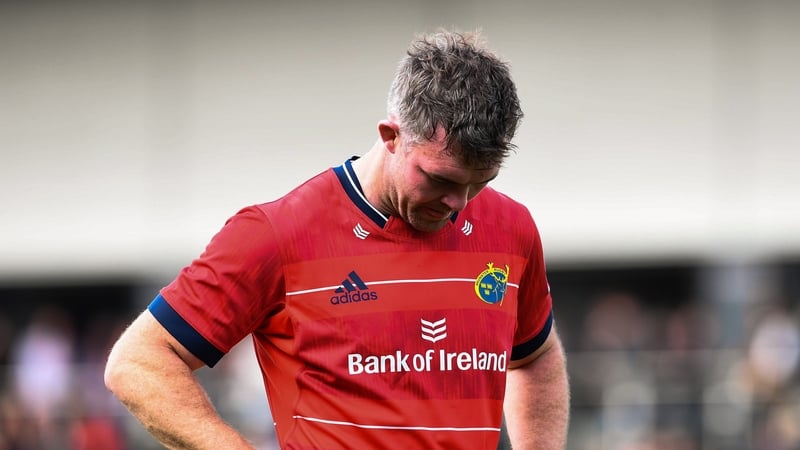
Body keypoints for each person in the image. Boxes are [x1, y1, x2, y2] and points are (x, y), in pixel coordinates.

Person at [104, 29, 570, 449]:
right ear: (391, 136)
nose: (459, 203)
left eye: (479, 182)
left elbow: (536, 357)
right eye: (439, 179)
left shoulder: (511, 228)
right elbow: (139, 360)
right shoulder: (277, 233)